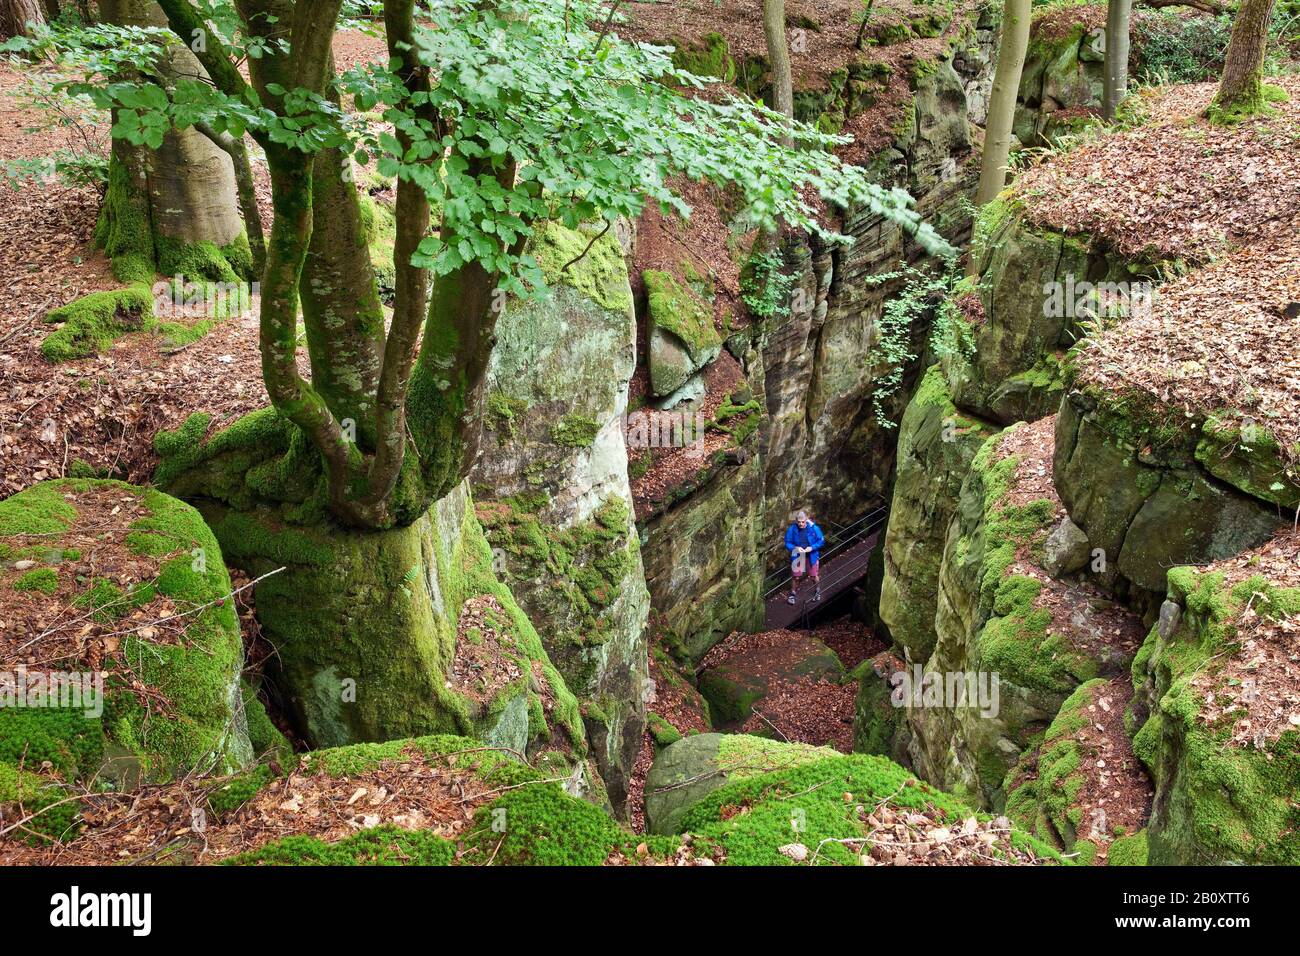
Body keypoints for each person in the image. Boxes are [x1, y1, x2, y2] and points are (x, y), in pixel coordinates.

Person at [784, 510, 824, 604]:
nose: (801, 524)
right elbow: (787, 542)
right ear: (796, 521)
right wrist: (795, 548)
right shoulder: (792, 529)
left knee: (813, 576)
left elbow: (821, 541)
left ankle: (817, 590)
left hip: (811, 555)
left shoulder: (814, 528)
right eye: (799, 522)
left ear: (806, 520)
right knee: (796, 577)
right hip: (798, 555)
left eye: (803, 522)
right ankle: (792, 594)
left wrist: (812, 548)